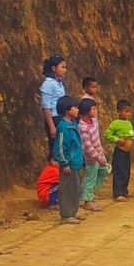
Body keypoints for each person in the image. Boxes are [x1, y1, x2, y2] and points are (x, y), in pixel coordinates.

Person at [53, 96, 85, 225]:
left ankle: (72, 212)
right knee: (68, 189)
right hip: (70, 164)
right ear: (67, 110)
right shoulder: (63, 127)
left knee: (76, 188)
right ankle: (66, 214)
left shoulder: (72, 124)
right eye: (75, 107)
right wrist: (64, 162)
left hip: (76, 162)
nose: (77, 109)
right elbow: (61, 147)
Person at [77, 98, 108, 212]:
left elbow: (96, 137)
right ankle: (87, 200)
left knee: (104, 171)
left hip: (98, 152)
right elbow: (88, 146)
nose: (95, 111)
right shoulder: (83, 128)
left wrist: (100, 148)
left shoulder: (93, 121)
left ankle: (87, 193)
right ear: (87, 111)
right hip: (91, 158)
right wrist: (98, 158)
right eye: (93, 109)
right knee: (90, 177)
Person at [104, 99, 134, 202]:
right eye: (126, 111)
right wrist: (118, 139)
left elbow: (131, 132)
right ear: (119, 112)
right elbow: (107, 135)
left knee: (126, 171)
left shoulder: (129, 123)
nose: (128, 114)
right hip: (120, 151)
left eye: (129, 111)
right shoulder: (115, 123)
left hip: (127, 152)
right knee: (119, 172)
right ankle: (118, 193)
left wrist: (133, 136)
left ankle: (124, 190)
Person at [39, 54, 67, 164]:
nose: (65, 70)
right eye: (62, 67)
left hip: (60, 117)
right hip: (54, 118)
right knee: (54, 147)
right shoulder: (48, 84)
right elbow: (46, 106)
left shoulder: (58, 83)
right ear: (54, 68)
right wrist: (51, 126)